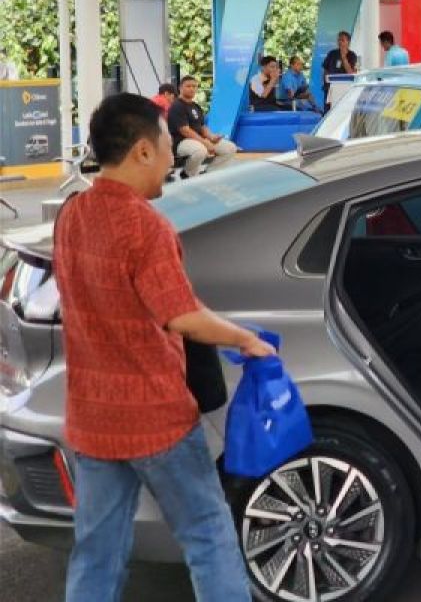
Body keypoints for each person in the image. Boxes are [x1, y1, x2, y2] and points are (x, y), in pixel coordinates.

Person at [55, 93, 275, 602]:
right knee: (208, 535)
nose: (172, 154)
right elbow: (181, 316)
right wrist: (246, 340)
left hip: (93, 419)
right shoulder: (146, 225)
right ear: (141, 151)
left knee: (96, 551)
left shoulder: (73, 214)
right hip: (155, 418)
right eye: (164, 142)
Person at [167, 76, 238, 178]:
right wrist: (205, 142)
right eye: (188, 86)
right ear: (180, 88)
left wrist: (211, 137)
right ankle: (188, 174)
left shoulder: (196, 106)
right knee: (201, 150)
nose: (192, 89)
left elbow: (202, 126)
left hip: (198, 139)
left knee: (230, 148)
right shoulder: (176, 106)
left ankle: (210, 175)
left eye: (194, 86)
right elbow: (185, 130)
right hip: (182, 141)